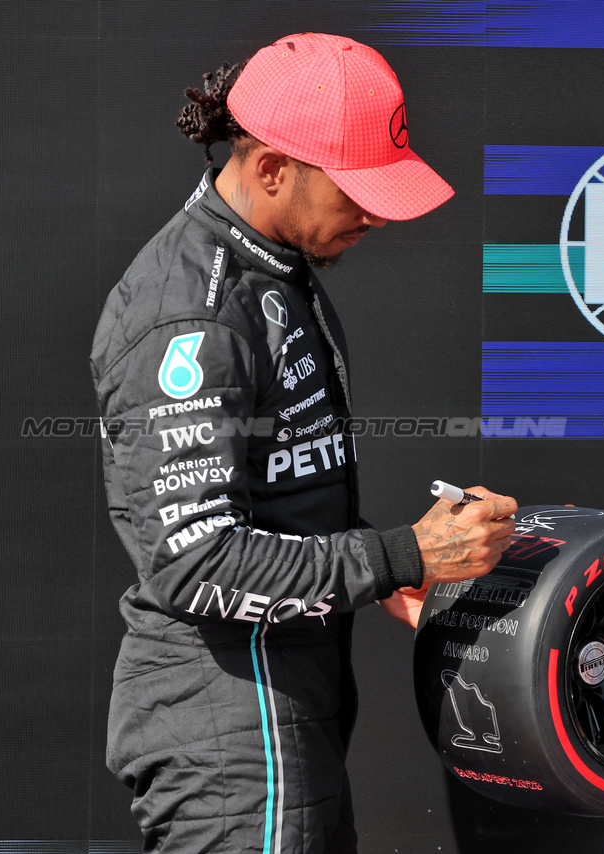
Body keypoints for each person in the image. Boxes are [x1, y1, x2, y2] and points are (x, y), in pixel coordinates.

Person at [90, 33, 516, 853]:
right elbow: (194, 563)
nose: (377, 211)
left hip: (276, 715)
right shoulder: (191, 310)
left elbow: (273, 507)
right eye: (356, 188)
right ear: (273, 169)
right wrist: (399, 556)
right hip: (229, 732)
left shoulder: (269, 270)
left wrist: (386, 569)